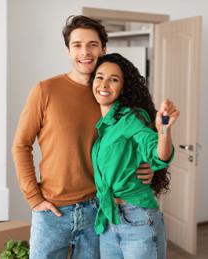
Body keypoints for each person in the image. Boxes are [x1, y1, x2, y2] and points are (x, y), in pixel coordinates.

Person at [12, 16, 154, 259]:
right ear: (68, 51)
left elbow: (136, 142)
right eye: (77, 45)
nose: (85, 52)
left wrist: (148, 167)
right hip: (52, 211)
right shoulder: (45, 90)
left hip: (98, 210)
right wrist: (34, 198)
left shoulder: (110, 96)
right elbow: (21, 145)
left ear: (103, 49)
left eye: (92, 44)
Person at [90, 53, 180, 259]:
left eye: (114, 79)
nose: (104, 84)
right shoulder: (103, 124)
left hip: (137, 219)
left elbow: (158, 155)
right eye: (99, 77)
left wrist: (164, 130)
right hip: (108, 219)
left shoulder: (132, 118)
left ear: (123, 87)